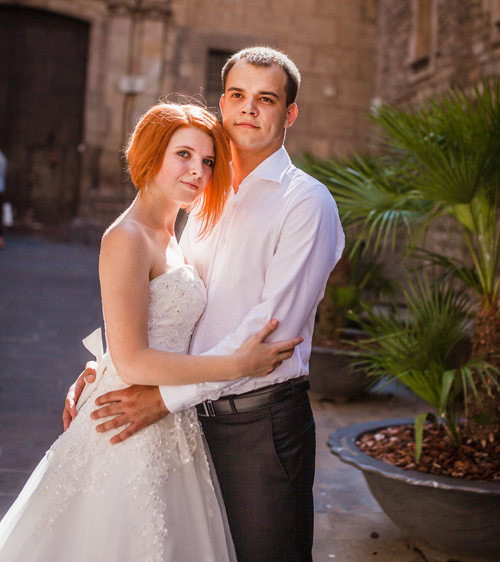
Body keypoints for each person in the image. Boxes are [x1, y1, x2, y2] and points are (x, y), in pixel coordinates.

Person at [66, 47, 345, 562]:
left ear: (290, 114)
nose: (249, 109)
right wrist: (111, 368)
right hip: (187, 428)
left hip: (257, 426)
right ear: (223, 104)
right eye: (238, 95)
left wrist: (161, 398)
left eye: (266, 99)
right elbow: (167, 302)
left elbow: (268, 333)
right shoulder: (201, 198)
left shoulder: (305, 203)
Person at [0, 103, 302, 562]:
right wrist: (237, 365)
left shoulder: (175, 234)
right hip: (126, 422)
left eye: (207, 161)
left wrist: (99, 363)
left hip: (172, 417)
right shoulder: (127, 237)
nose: (198, 170)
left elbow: (150, 328)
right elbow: (134, 360)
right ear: (150, 154)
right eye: (183, 154)